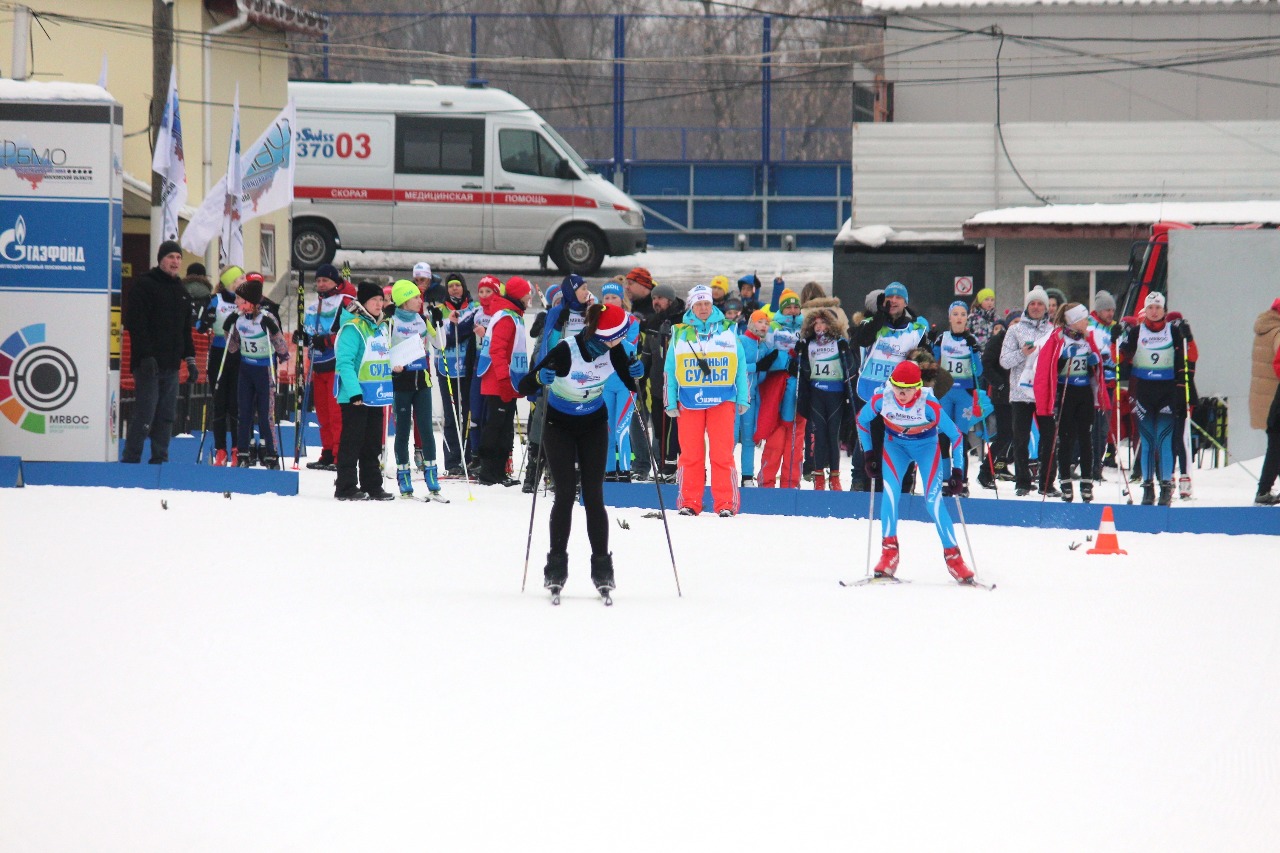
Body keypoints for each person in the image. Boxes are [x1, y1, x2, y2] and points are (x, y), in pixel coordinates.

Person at [519, 303, 645, 596]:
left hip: (593, 425)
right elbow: (526, 384)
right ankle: (556, 567)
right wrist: (540, 379)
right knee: (564, 495)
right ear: (606, 335)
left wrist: (637, 371)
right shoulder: (566, 351)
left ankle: (602, 568)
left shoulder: (615, 351)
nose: (622, 340)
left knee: (593, 495)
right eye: (619, 335)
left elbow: (631, 385)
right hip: (559, 425)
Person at [858, 360, 973, 583]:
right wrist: (869, 454)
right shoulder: (883, 398)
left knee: (933, 501)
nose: (901, 394)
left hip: (926, 448)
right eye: (898, 388)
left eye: (908, 389)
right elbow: (862, 421)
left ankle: (954, 560)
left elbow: (957, 436)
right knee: (890, 495)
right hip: (895, 447)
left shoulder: (929, 404)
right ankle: (888, 554)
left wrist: (958, 471)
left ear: (917, 387)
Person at [663, 285, 749, 516]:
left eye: (707, 304)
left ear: (712, 305)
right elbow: (670, 369)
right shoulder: (679, 332)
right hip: (689, 400)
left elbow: (740, 367)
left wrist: (743, 397)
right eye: (698, 304)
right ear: (691, 306)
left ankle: (726, 504)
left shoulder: (729, 330)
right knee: (690, 455)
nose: (703, 308)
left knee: (722, 454)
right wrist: (670, 400)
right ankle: (689, 502)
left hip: (723, 399)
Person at [1117, 292, 1198, 506]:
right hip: (1144, 391)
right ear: (1146, 310)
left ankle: (1165, 488)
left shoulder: (1173, 331)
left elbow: (1189, 359)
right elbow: (1120, 356)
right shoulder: (1136, 332)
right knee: (1147, 441)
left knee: (1164, 441)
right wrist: (1116, 339)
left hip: (1167, 392)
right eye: (1150, 307)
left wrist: (1188, 338)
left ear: (1164, 310)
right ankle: (1147, 488)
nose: (1154, 311)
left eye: (1158, 308)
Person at [122, 240, 197, 464]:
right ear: (160, 260)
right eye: (170, 257)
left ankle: (159, 458)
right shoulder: (145, 285)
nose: (175, 262)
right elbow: (136, 323)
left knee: (166, 415)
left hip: (171, 365)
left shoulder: (181, 291)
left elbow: (185, 331)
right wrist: (145, 356)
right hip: (148, 364)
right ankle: (131, 458)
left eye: (178, 258)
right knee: (146, 412)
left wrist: (191, 361)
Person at [854, 281, 930, 491]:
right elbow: (860, 341)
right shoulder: (870, 324)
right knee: (877, 450)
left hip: (903, 400)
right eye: (890, 297)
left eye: (899, 297)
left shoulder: (916, 329)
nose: (893, 300)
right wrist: (880, 317)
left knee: (904, 448)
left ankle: (905, 492)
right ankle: (878, 491)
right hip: (874, 396)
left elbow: (926, 364)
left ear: (905, 302)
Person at [1033, 303, 1109, 503]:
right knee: (1066, 439)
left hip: (1084, 393)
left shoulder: (1087, 338)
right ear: (1074, 321)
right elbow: (1047, 368)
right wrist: (1062, 360)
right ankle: (1065, 481)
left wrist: (1095, 363)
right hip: (1066, 392)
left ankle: (1086, 483)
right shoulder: (1058, 338)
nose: (1088, 322)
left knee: (1086, 439)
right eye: (1084, 319)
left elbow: (1096, 368)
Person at [333, 281, 396, 501]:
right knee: (352, 441)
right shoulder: (354, 327)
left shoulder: (380, 327)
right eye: (374, 300)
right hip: (356, 396)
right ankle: (346, 486)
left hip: (375, 395)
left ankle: (372, 485)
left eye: (381, 300)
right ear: (363, 303)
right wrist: (354, 393)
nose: (379, 304)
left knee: (371, 443)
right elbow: (345, 362)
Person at [386, 279, 445, 500]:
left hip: (423, 382)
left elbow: (440, 344)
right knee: (402, 431)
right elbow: (385, 350)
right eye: (415, 297)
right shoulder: (391, 322)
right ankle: (404, 479)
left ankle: (432, 478)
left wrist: (439, 323)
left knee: (426, 431)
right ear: (403, 301)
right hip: (401, 383)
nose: (420, 300)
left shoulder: (421, 319)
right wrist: (393, 366)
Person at [224, 273, 288, 469]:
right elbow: (232, 346)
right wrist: (228, 327)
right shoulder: (239, 319)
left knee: (265, 413)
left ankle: (271, 453)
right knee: (244, 412)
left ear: (250, 302)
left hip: (264, 370)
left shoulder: (266, 318)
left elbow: (280, 343)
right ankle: (243, 452)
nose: (236, 303)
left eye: (239, 300)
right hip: (246, 369)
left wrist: (282, 354)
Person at [476, 277, 532, 486]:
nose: (529, 297)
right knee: (495, 427)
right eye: (527, 293)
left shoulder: (513, 315)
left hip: (506, 381)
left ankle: (499, 471)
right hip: (499, 382)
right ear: (518, 295)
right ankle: (488, 472)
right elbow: (497, 350)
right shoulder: (507, 317)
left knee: (504, 427)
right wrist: (504, 379)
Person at [294, 264, 351, 471]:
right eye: (318, 281)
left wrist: (326, 341)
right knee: (323, 413)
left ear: (335, 282)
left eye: (325, 280)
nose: (321, 284)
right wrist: (302, 336)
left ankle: (338, 454)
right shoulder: (312, 306)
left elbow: (348, 331)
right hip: (317, 366)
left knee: (336, 413)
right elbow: (310, 333)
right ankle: (327, 451)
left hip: (336, 364)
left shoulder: (343, 303)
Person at [1000, 286, 1054, 496]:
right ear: (1027, 306)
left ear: (1046, 307)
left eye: (1040, 303)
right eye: (1032, 303)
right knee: (1021, 438)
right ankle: (1023, 482)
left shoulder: (1052, 330)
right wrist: (1023, 353)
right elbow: (1004, 361)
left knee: (1048, 439)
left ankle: (1047, 483)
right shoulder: (1015, 330)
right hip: (1020, 394)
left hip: (1044, 393)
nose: (1036, 307)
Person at [796, 300, 854, 490]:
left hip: (835, 395)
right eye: (816, 323)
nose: (820, 327)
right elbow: (804, 369)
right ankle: (819, 476)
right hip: (816, 394)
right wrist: (800, 353)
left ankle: (835, 476)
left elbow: (851, 366)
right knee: (819, 436)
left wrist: (847, 352)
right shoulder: (810, 344)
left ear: (831, 325)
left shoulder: (839, 342)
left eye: (823, 323)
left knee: (833, 435)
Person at [930, 301, 984, 493]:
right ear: (950, 317)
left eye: (963, 314)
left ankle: (961, 480)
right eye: (956, 314)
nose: (959, 317)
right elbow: (931, 365)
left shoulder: (971, 340)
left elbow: (978, 372)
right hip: (944, 393)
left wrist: (975, 353)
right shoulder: (942, 339)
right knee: (943, 438)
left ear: (967, 317)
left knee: (960, 439)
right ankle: (945, 481)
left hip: (965, 395)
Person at [756, 289, 805, 489]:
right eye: (788, 307)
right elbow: (764, 357)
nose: (792, 311)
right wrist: (786, 361)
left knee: (795, 440)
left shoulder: (807, 327)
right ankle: (766, 482)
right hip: (777, 388)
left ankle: (791, 484)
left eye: (796, 307)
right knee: (775, 440)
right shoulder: (773, 327)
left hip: (800, 387)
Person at [197, 265, 243, 465]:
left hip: (239, 355)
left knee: (236, 404)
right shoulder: (217, 300)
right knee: (220, 403)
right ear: (230, 283)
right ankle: (220, 449)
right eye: (239, 279)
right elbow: (199, 326)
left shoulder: (246, 302)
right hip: (218, 353)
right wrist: (206, 321)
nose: (243, 281)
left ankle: (236, 449)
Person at [641, 283, 686, 480]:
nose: (655, 302)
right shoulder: (652, 322)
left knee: (679, 429)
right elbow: (647, 355)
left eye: (659, 298)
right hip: (659, 385)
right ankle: (663, 467)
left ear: (670, 299)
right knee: (660, 429)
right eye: (653, 299)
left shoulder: (683, 320)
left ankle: (679, 467)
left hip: (681, 385)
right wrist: (640, 381)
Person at [600, 281, 643, 481]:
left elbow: (629, 349)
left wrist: (611, 339)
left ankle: (625, 471)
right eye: (606, 298)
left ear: (621, 300)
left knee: (621, 428)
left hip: (625, 382)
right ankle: (609, 471)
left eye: (614, 298)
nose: (610, 301)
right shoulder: (597, 321)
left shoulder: (631, 321)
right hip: (604, 383)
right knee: (606, 429)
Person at [438, 273, 479, 477]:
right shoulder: (440, 310)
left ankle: (469, 457)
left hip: (468, 369)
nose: (454, 289)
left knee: (469, 414)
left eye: (458, 285)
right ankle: (453, 460)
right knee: (452, 416)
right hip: (447, 369)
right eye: (451, 286)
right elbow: (439, 338)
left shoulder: (473, 308)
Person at [467, 275, 501, 467]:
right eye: (481, 291)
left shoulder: (500, 313)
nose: (484, 295)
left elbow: (501, 338)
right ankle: (475, 454)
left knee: (489, 413)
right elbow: (463, 326)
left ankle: (489, 457)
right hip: (478, 362)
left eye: (488, 291)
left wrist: (485, 333)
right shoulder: (477, 311)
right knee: (476, 410)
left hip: (493, 363)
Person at [978, 312, 1015, 488]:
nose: (1017, 325)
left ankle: (1000, 466)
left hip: (1020, 393)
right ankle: (986, 470)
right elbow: (986, 364)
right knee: (1005, 434)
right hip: (1002, 396)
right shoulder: (998, 339)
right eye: (1014, 321)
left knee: (1015, 435)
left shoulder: (1023, 340)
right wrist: (999, 384)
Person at [737, 309, 771, 486]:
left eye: (766, 323)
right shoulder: (741, 341)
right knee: (731, 438)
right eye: (760, 322)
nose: (764, 326)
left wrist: (764, 368)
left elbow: (762, 375)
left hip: (752, 399)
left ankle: (747, 476)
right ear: (751, 323)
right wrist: (756, 366)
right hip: (735, 398)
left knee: (750, 438)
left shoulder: (763, 346)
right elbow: (736, 366)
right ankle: (726, 472)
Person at [1251, 298, 1280, 505]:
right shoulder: (1278, 332)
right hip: (1276, 398)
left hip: (1267, 399)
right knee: (1277, 445)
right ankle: (1263, 491)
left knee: (1276, 445)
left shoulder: (1264, 327)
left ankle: (1263, 490)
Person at [1088, 291, 1120, 480]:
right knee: (1088, 427)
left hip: (1108, 384)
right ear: (1099, 310)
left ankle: (1096, 466)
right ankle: (1081, 462)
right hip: (1091, 384)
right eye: (1107, 310)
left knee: (1102, 429)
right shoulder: (1090, 325)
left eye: (1112, 310)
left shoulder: (1115, 328)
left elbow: (1119, 357)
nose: (1110, 314)